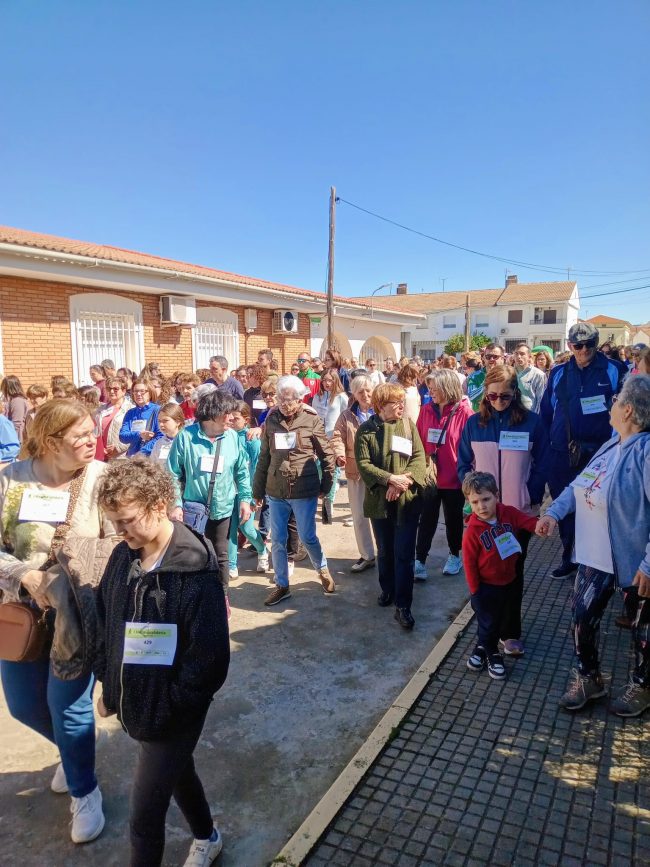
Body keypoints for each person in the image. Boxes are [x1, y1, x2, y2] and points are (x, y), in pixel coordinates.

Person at [94, 459, 229, 867]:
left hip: (172, 715)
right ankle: (208, 836)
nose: (121, 532)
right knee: (177, 771)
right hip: (137, 701)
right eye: (114, 522)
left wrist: (169, 706)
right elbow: (107, 620)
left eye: (127, 521)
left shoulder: (195, 570)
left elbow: (209, 662)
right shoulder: (124, 556)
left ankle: (205, 838)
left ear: (158, 504)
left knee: (144, 818)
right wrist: (109, 683)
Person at [0, 400, 113, 843]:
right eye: (80, 436)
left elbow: (118, 542)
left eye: (92, 432)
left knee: (68, 709)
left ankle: (85, 792)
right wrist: (21, 573)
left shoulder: (101, 477)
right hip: (20, 614)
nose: (92, 441)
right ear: (49, 443)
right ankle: (74, 755)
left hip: (77, 615)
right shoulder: (10, 480)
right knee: (24, 706)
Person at [537, 374, 650, 716]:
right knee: (582, 618)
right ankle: (590, 679)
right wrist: (553, 513)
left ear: (628, 410)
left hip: (634, 563)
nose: (611, 404)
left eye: (617, 400)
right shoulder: (611, 443)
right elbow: (579, 484)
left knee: (643, 629)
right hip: (593, 556)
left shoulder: (646, 452)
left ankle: (643, 686)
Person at [458, 365, 549, 655]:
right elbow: (463, 464)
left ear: (516, 394)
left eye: (506, 397)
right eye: (493, 396)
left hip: (517, 515)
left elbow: (543, 462)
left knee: (512, 573)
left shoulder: (532, 423)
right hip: (484, 517)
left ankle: (510, 632)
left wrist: (530, 493)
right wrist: (471, 494)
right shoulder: (474, 424)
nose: (499, 401)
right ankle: (488, 627)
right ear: (485, 394)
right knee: (485, 574)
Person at [540, 322, 627, 578]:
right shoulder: (558, 373)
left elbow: (622, 412)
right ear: (570, 346)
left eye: (589, 344)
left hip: (598, 454)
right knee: (564, 507)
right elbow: (547, 413)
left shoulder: (614, 370)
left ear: (597, 343)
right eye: (578, 345)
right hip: (562, 454)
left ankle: (597, 563)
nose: (584, 350)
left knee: (596, 507)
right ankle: (570, 557)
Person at [252, 375, 336, 606]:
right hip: (276, 489)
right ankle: (282, 585)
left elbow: (326, 455)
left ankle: (322, 568)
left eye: (289, 400)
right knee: (278, 540)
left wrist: (326, 486)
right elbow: (264, 458)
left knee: (307, 537)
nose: (284, 404)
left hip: (303, 489)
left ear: (300, 400)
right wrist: (257, 491)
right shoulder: (271, 421)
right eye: (280, 399)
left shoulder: (311, 420)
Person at [355, 383, 426, 630]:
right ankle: (388, 590)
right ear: (379, 406)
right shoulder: (366, 430)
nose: (401, 406)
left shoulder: (408, 425)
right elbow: (363, 464)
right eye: (395, 402)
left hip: (407, 499)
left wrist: (403, 480)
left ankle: (404, 606)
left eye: (401, 401)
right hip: (379, 502)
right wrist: (389, 480)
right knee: (385, 549)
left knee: (405, 554)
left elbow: (419, 457)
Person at [166, 390, 251, 594]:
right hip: (193, 510)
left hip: (222, 508)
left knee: (221, 554)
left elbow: (241, 470)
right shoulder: (186, 437)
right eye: (228, 413)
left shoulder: (232, 437)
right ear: (214, 413)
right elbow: (171, 474)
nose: (232, 418)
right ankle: (194, 597)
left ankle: (221, 598)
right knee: (193, 555)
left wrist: (245, 499)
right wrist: (176, 504)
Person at [462, 471, 542, 680]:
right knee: (489, 622)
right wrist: (475, 592)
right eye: (475, 502)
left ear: (496, 495)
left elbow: (527, 521)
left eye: (486, 499)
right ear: (469, 503)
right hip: (486, 586)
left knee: (496, 621)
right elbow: (469, 563)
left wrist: (540, 526)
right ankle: (493, 654)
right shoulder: (472, 530)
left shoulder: (508, 513)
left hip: (509, 581)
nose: (482, 506)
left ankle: (480, 648)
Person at [415, 370, 473, 579]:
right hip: (430, 477)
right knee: (427, 519)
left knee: (453, 519)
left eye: (434, 388)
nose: (430, 391)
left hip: (455, 478)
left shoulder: (465, 413)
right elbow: (419, 440)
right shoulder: (426, 410)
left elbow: (471, 446)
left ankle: (454, 555)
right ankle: (420, 559)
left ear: (448, 387)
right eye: (429, 388)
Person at [332, 374, 376, 572]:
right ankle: (367, 555)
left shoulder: (382, 412)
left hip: (379, 472)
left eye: (368, 390)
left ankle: (386, 552)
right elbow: (337, 437)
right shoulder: (347, 415)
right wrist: (340, 455)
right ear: (354, 395)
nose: (366, 395)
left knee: (381, 517)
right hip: (355, 470)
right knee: (359, 516)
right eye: (361, 392)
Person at [227, 401, 269, 577]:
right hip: (229, 491)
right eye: (230, 418)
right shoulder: (226, 436)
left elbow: (257, 468)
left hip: (247, 491)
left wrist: (254, 495)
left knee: (246, 528)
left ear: (246, 420)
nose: (231, 421)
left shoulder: (252, 440)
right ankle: (231, 564)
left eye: (235, 418)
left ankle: (262, 550)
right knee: (230, 528)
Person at [312, 369, 349, 524]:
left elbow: (345, 418)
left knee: (333, 472)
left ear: (335, 381)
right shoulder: (317, 397)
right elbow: (313, 416)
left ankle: (329, 500)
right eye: (324, 380)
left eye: (330, 380)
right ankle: (322, 493)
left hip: (334, 438)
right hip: (319, 438)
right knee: (318, 469)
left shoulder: (341, 397)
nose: (327, 383)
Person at [120, 379, 162, 457]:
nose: (138, 394)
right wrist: (139, 434)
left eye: (142, 391)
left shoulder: (158, 410)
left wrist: (141, 452)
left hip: (151, 457)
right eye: (135, 391)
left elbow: (161, 437)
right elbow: (122, 436)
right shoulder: (130, 413)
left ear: (150, 393)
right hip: (132, 457)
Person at [513, 343, 546, 413]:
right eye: (516, 353)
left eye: (522, 354)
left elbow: (541, 400)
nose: (519, 356)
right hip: (511, 418)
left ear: (529, 357)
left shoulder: (539, 375)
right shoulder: (509, 373)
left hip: (529, 417)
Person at [1, 374, 30, 443]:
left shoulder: (17, 401)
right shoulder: (13, 400)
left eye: (3, 387)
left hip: (17, 440)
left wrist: (8, 438)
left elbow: (16, 423)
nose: (2, 390)